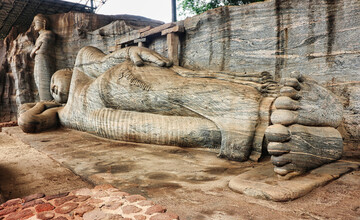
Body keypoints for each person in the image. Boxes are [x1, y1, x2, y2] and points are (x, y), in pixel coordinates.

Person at [19, 46, 343, 178]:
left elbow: (107, 56)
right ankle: (296, 141)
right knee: (183, 133)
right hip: (104, 122)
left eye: (55, 84)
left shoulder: (81, 66)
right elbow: (29, 122)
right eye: (52, 91)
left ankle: (277, 106)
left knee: (178, 95)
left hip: (114, 85)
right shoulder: (63, 112)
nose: (56, 89)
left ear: (62, 70)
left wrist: (131, 51)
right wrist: (46, 104)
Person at [30, 14, 55, 101]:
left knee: (44, 79)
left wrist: (35, 50)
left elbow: (43, 50)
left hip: (44, 59)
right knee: (38, 80)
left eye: (36, 22)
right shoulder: (39, 37)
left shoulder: (48, 34)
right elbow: (32, 54)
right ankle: (43, 100)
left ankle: (47, 100)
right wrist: (35, 49)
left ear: (44, 22)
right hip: (38, 60)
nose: (34, 25)